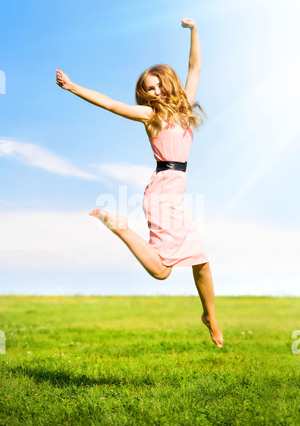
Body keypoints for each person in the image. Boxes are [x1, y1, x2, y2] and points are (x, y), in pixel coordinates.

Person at [56, 18, 223, 348]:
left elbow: (195, 66)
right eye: (149, 88)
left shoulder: (184, 108)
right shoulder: (151, 116)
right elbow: (112, 104)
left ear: (168, 84)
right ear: (144, 94)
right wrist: (74, 87)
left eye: (159, 84)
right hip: (162, 193)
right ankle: (121, 227)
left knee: (201, 261)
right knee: (162, 271)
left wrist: (194, 30)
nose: (156, 91)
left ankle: (210, 317)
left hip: (176, 192)